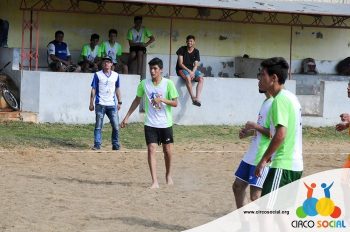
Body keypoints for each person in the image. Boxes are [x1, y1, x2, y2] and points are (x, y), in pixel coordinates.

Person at [121, 57, 179, 189]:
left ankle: (168, 175)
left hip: (165, 123)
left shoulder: (168, 84)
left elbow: (175, 103)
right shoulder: (144, 84)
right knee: (151, 149)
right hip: (150, 123)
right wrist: (127, 117)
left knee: (167, 151)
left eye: (155, 69)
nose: (152, 71)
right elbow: (136, 100)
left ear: (161, 70)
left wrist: (162, 100)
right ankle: (155, 181)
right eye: (151, 68)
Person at [255, 57, 303, 197]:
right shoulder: (291, 97)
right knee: (280, 215)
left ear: (273, 78)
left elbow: (281, 134)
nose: (260, 78)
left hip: (283, 166)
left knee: (266, 213)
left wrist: (264, 159)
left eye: (263, 74)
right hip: (294, 165)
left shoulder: (279, 100)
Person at [232, 90, 273, 209]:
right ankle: (245, 224)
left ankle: (264, 223)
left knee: (256, 196)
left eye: (262, 76)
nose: (259, 80)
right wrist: (249, 133)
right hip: (252, 153)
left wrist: (255, 125)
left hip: (262, 154)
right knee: (237, 187)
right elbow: (263, 130)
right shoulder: (266, 102)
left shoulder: (275, 103)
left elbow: (274, 133)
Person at [89, 56, 122, 151]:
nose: (106, 64)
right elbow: (93, 89)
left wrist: (120, 101)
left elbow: (117, 88)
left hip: (112, 104)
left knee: (116, 126)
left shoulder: (116, 75)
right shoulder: (97, 75)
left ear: (111, 64)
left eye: (108, 62)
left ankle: (115, 144)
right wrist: (91, 103)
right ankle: (97, 144)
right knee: (98, 125)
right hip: (100, 103)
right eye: (104, 62)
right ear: (102, 64)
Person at [176, 35, 204, 107]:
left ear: (194, 42)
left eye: (191, 41)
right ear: (186, 42)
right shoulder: (182, 49)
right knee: (188, 77)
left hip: (192, 70)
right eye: (188, 41)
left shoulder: (196, 51)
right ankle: (193, 98)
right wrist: (190, 72)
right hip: (182, 69)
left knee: (201, 79)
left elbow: (196, 65)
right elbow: (180, 63)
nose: (189, 42)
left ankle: (197, 98)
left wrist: (193, 72)